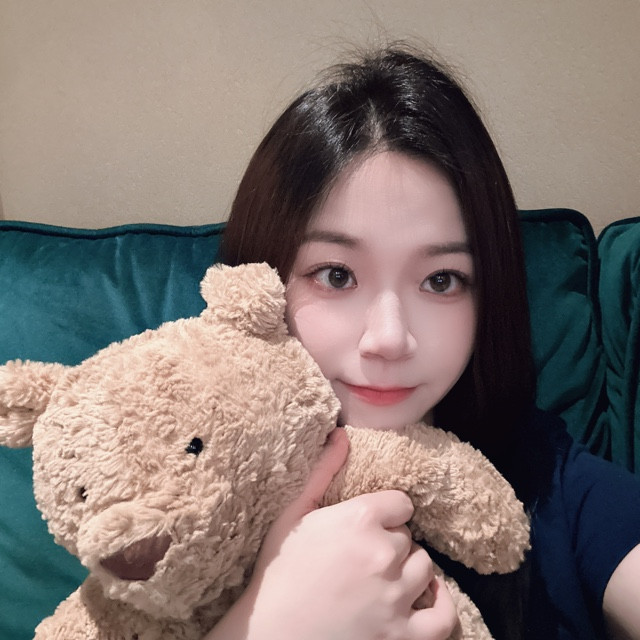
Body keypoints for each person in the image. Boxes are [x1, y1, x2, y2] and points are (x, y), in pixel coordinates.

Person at [206, 45, 640, 639]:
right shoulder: (195, 475)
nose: (389, 339)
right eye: (337, 274)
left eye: (441, 280)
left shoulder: (547, 479)